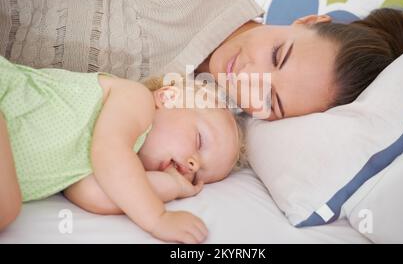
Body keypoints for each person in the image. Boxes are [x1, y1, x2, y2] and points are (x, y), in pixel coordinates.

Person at [0, 0, 403, 121]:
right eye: (278, 56)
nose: (248, 77)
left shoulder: (206, 126)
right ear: (309, 21)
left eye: (270, 101)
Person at [0, 55, 243, 244]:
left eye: (199, 174)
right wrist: (158, 218)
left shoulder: (112, 172)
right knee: (6, 207)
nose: (193, 165)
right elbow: (110, 150)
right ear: (169, 97)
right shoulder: (135, 99)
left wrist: (173, 185)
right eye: (199, 141)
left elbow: (97, 196)